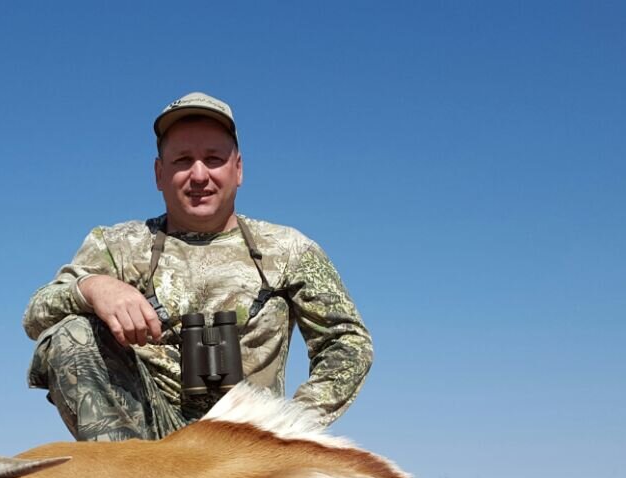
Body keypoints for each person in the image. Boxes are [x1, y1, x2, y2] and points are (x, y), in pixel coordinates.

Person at [23, 92, 372, 441]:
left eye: (214, 159)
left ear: (238, 170)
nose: (199, 175)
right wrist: (94, 288)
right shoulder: (115, 245)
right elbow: (36, 315)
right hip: (148, 439)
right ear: (160, 174)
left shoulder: (290, 249)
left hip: (250, 438)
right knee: (71, 333)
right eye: (183, 160)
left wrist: (291, 424)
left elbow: (348, 341)